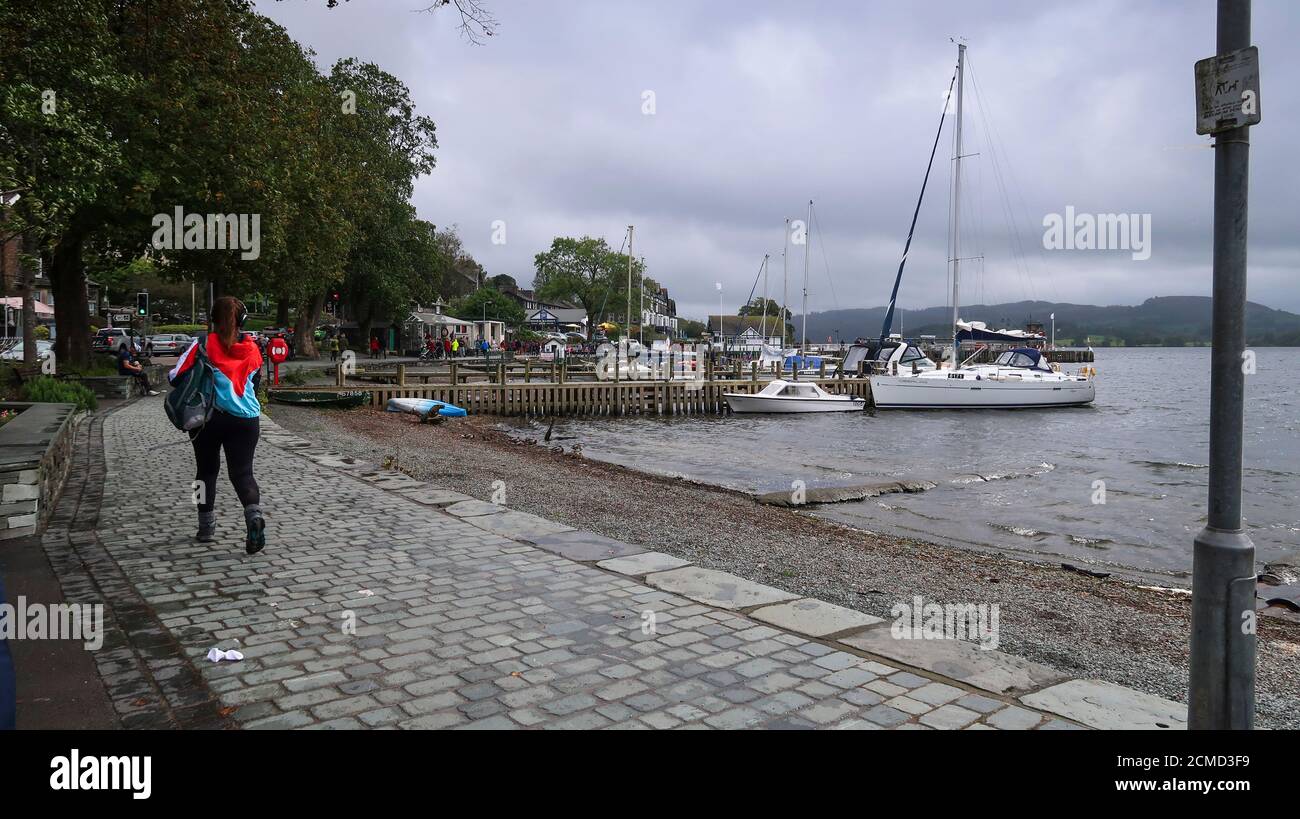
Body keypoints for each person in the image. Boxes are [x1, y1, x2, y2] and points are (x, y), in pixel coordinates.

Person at [170, 297, 267, 555]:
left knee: (205, 472)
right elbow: (256, 382)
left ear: (211, 319)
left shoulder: (201, 345)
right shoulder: (253, 350)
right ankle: (253, 519)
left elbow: (175, 376)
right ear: (242, 321)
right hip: (246, 420)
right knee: (243, 473)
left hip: (208, 418)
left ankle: (205, 528)